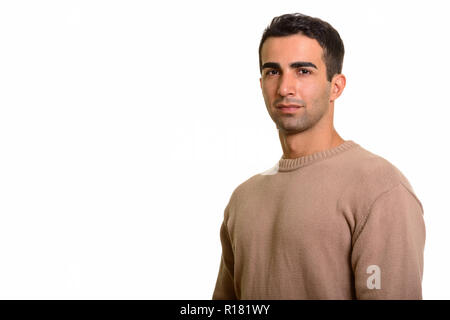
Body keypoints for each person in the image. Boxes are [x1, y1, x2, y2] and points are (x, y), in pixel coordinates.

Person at [212, 13, 426, 300]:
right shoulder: (243, 198)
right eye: (273, 71)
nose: (285, 88)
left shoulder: (379, 188)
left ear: (335, 86)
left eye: (303, 71)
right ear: (261, 83)